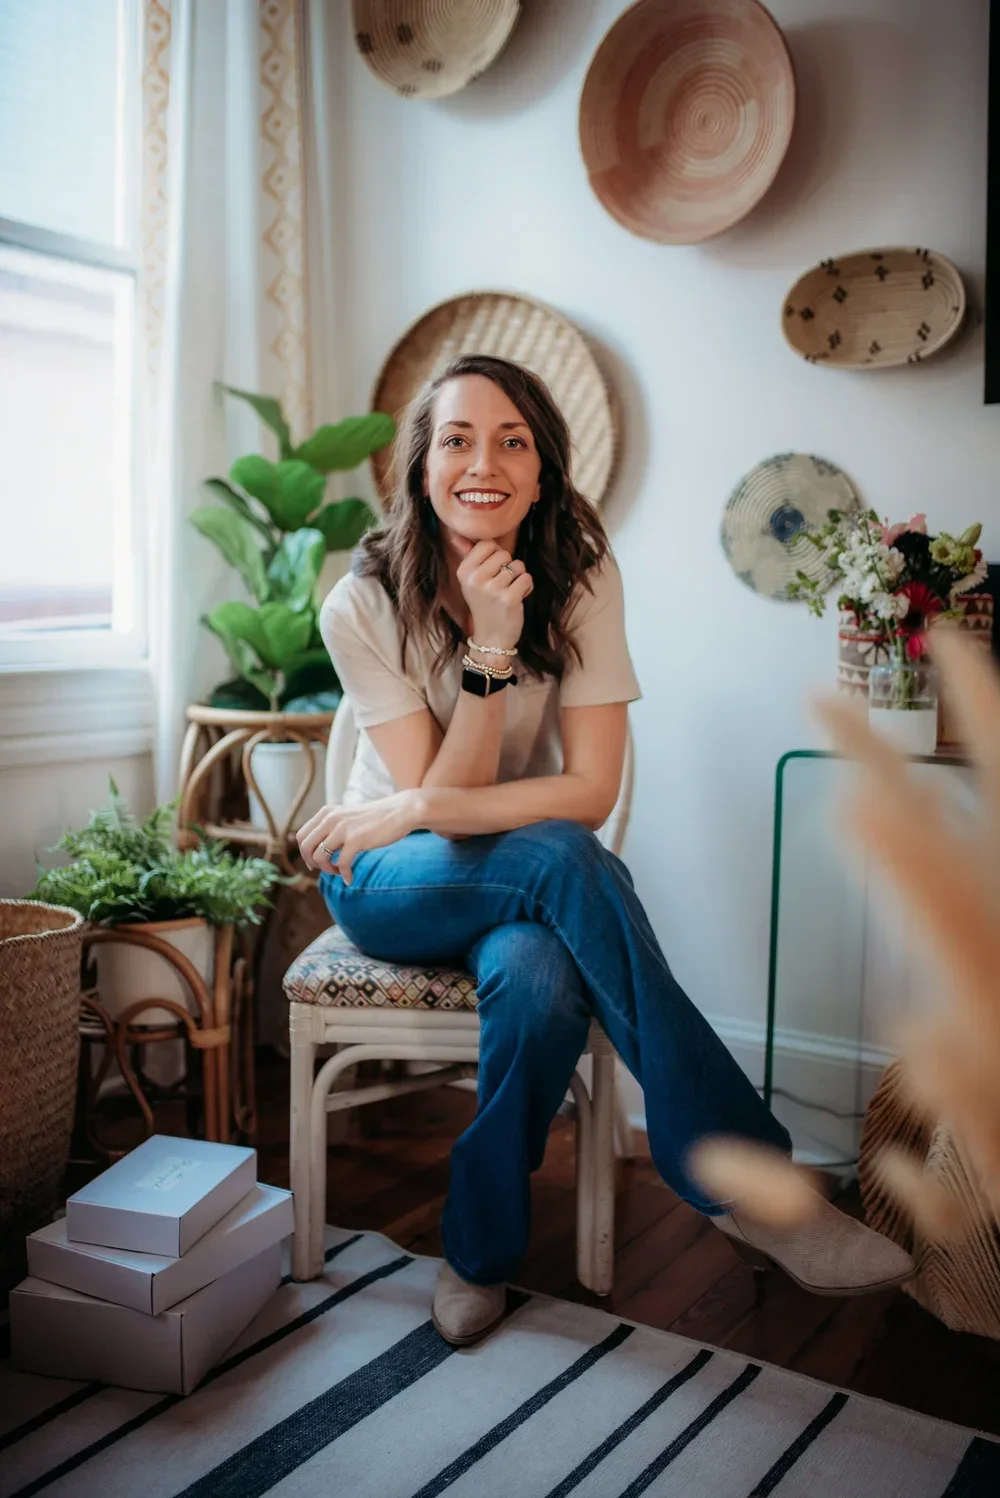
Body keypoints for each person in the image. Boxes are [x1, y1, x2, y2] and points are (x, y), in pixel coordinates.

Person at [298, 354, 914, 1346]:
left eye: (512, 440)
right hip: (387, 878)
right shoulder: (361, 603)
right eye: (455, 439)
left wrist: (414, 792)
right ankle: (745, 1179)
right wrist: (490, 653)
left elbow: (588, 793)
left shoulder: (581, 574)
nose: (481, 462)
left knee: (540, 980)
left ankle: (476, 1251)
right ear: (419, 467)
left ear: (544, 470)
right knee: (554, 859)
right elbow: (458, 821)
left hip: (522, 873)